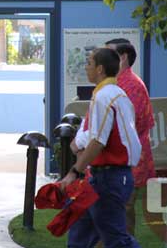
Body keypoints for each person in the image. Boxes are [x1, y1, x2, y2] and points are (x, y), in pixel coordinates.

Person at [61, 48, 142, 248]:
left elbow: (98, 141)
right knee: (79, 233)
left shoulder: (104, 97)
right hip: (105, 177)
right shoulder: (118, 95)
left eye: (89, 63)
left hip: (109, 178)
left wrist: (73, 172)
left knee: (116, 239)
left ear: (100, 69)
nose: (86, 67)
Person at [105, 38, 156, 236]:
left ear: (123, 57)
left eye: (109, 54)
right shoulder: (118, 83)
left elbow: (128, 126)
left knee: (121, 218)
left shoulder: (132, 85)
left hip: (127, 163)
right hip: (119, 162)